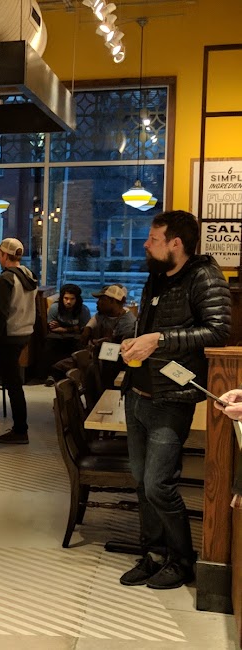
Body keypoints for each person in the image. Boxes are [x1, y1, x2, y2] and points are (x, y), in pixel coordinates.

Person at [119, 210, 230, 590]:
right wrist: (136, 340)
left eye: (153, 239)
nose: (146, 244)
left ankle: (182, 560)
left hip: (172, 397)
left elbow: (219, 330)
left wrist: (160, 340)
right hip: (137, 392)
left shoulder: (204, 276)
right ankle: (152, 554)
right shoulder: (157, 275)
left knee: (158, 484)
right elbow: (150, 326)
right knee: (141, 482)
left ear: (176, 243)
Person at [0, 238, 37, 444]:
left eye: (0, 253)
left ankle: (20, 430)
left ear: (4, 255)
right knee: (10, 381)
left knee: (10, 382)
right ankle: (11, 424)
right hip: (25, 332)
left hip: (9, 335)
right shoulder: (29, 275)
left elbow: (1, 314)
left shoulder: (6, 279)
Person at [43, 284, 90, 384]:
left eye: (72, 299)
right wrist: (73, 328)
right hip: (57, 337)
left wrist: (63, 328)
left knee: (79, 346)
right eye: (66, 298)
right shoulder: (55, 307)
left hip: (75, 338)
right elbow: (52, 328)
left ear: (77, 299)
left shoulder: (83, 310)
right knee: (49, 344)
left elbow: (84, 329)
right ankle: (51, 375)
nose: (68, 302)